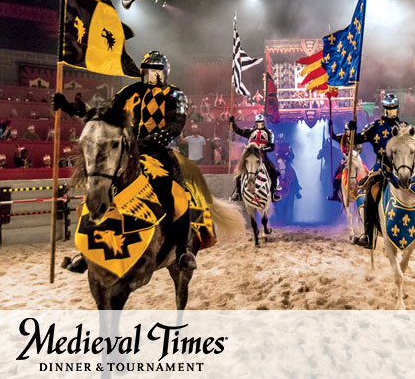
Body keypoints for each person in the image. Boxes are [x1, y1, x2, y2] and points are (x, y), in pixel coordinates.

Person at [55, 50, 198, 272]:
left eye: (156, 71)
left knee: (177, 195)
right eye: (148, 71)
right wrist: (69, 108)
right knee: (100, 190)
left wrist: (145, 143)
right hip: (125, 153)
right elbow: (103, 118)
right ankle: (87, 251)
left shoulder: (175, 94)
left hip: (159, 153)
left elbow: (175, 125)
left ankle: (182, 251)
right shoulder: (128, 92)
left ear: (165, 72)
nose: (152, 75)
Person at [346, 93, 415, 248]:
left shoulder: (405, 128)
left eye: (393, 108)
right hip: (382, 168)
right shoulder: (375, 126)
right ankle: (368, 234)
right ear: (384, 108)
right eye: (388, 108)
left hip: (405, 167)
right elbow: (358, 139)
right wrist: (352, 131)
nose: (391, 111)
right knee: (370, 194)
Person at [229, 113, 281, 202]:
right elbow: (238, 131)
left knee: (273, 170)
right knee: (240, 172)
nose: (259, 123)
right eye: (258, 122)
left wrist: (264, 149)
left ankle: (273, 193)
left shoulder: (269, 133)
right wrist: (233, 122)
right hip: (250, 155)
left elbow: (272, 147)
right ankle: (238, 193)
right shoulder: (250, 131)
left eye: (261, 122)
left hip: (262, 156)